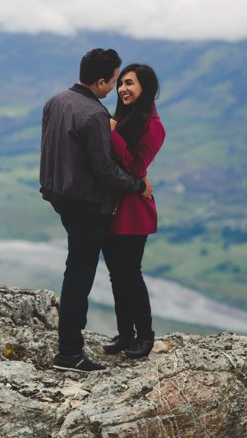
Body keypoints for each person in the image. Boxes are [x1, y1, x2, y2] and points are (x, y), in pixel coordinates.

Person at [40, 48, 154, 373]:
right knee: (79, 276)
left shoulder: (56, 101)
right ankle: (69, 354)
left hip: (59, 195)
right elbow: (105, 170)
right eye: (114, 80)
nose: (114, 88)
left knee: (77, 271)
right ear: (101, 80)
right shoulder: (94, 115)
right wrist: (137, 186)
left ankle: (71, 348)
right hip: (88, 205)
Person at [101, 64, 165, 359]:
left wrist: (112, 134)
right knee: (116, 275)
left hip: (133, 212)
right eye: (121, 84)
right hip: (113, 208)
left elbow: (137, 169)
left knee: (130, 275)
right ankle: (125, 334)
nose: (123, 89)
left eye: (130, 84)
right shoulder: (122, 118)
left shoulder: (153, 127)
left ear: (146, 89)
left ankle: (146, 336)